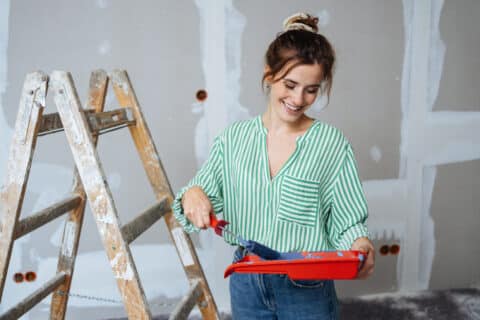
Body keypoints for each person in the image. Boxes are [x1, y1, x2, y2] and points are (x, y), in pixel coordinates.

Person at [172, 12, 375, 320]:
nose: (298, 98)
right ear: (269, 74)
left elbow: (347, 221)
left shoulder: (331, 144)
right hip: (246, 280)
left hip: (307, 283)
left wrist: (360, 244)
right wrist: (193, 195)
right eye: (290, 84)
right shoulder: (233, 140)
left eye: (311, 89)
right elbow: (198, 196)